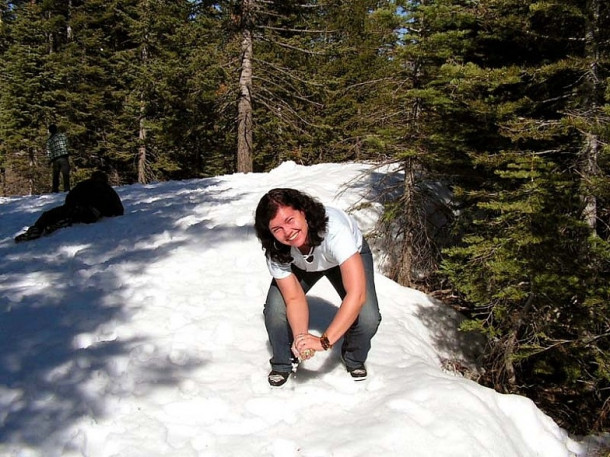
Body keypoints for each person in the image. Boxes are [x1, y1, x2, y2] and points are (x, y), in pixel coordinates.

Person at [254, 188, 381, 387]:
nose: (287, 232)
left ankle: (353, 357)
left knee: (368, 317)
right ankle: (283, 361)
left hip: (340, 260)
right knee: (275, 310)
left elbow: (356, 295)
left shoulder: (334, 230)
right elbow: (293, 299)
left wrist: (324, 342)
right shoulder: (276, 248)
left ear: (303, 212)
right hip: (300, 264)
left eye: (290, 220)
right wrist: (301, 338)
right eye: (277, 229)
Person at [15, 171, 124, 243]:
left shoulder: (84, 184)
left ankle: (37, 228)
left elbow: (70, 196)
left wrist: (70, 205)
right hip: (91, 212)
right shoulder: (109, 190)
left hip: (74, 206)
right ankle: (64, 222)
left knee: (49, 214)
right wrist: (104, 212)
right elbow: (118, 210)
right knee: (79, 216)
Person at [46, 124, 71, 193]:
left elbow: (49, 151)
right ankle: (67, 189)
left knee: (56, 175)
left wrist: (49, 160)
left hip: (55, 159)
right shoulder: (62, 135)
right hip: (63, 156)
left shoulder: (49, 140)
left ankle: (55, 189)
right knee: (65, 173)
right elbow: (67, 144)